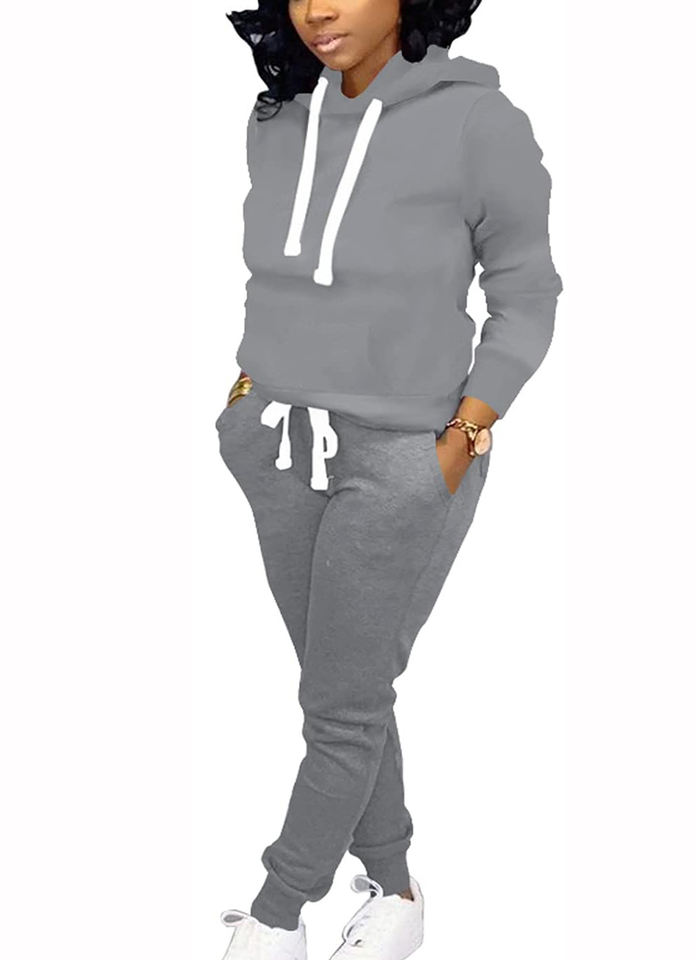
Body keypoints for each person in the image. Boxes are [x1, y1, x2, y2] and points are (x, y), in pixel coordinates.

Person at [215, 1, 562, 957]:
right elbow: (274, 279)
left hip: (406, 456)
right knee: (346, 690)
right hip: (277, 443)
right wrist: (247, 394)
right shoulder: (278, 117)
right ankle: (398, 890)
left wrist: (463, 434)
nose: (317, 9)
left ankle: (277, 913)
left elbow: (527, 289)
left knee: (340, 705)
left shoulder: (479, 121)